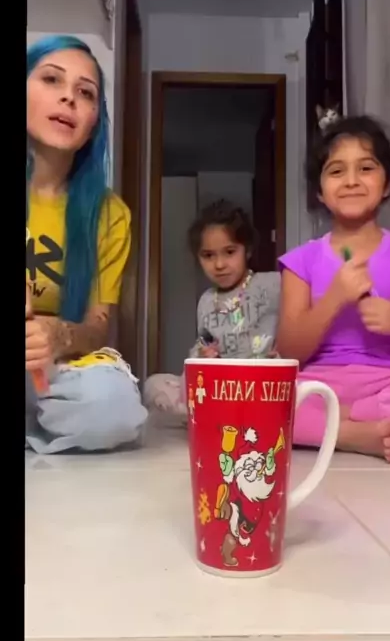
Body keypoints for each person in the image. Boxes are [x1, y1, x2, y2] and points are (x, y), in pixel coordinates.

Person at [276, 115, 390, 464]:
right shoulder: (300, 261)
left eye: (366, 168)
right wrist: (334, 298)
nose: (351, 181)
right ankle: (352, 434)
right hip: (318, 387)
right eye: (336, 171)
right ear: (320, 191)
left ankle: (343, 420)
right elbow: (290, 353)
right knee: (246, 394)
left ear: (388, 184)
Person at [26, 34, 147, 454]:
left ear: (95, 119)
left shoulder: (109, 215)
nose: (69, 99)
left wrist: (57, 334)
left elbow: (96, 330)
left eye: (85, 93)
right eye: (51, 80)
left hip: (54, 373)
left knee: (114, 406)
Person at [144, 200, 281, 414]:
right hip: (219, 385)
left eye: (229, 252)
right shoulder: (207, 301)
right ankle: (203, 411)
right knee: (154, 384)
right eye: (208, 255)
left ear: (247, 250)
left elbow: (297, 318)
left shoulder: (271, 284)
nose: (219, 264)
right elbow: (204, 341)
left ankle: (202, 413)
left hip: (261, 382)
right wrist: (202, 355)